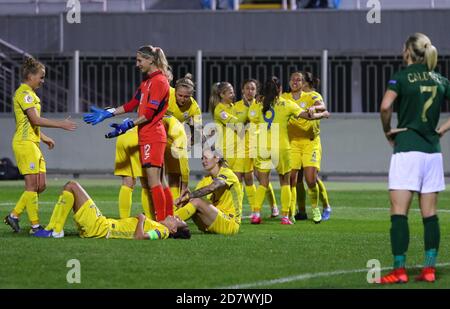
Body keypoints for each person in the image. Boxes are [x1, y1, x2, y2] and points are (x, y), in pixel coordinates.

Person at [379, 33, 450, 284]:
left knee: (399, 212)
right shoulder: (440, 78)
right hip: (432, 152)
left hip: (407, 149)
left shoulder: (401, 77)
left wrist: (387, 131)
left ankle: (399, 271)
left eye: (403, 48)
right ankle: (429, 269)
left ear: (409, 51)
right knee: (429, 213)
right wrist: (442, 129)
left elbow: (386, 106)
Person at [83, 45, 173, 222]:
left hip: (153, 135)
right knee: (160, 182)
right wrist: (108, 113)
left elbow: (147, 115)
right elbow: (132, 104)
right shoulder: (147, 82)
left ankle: (163, 222)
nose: (137, 64)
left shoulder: (159, 81)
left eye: (140, 60)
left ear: (150, 60)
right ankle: (169, 219)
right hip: (148, 135)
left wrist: (128, 125)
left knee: (153, 182)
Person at [3, 57, 77, 234]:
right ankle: (35, 227)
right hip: (24, 144)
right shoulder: (24, 94)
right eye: (41, 77)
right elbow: (35, 119)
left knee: (40, 185)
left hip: (33, 143)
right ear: (30, 76)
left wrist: (43, 137)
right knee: (31, 186)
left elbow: (31, 123)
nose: (43, 81)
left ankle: (14, 215)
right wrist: (60, 124)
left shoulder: (32, 95)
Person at [250, 77, 329, 225]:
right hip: (281, 146)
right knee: (285, 182)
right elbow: (308, 116)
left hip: (262, 146)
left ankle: (256, 214)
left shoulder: (258, 104)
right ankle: (285, 216)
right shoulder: (286, 104)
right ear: (279, 89)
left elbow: (251, 118)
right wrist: (322, 115)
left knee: (263, 182)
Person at [33, 181, 190, 240]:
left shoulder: (163, 232)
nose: (174, 215)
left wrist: (141, 219)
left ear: (174, 229)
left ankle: (55, 231)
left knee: (72, 186)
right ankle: (53, 229)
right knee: (70, 187)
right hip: (102, 226)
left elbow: (140, 237)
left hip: (101, 227)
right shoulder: (160, 227)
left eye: (178, 220)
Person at [282, 72, 331, 223]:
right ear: (289, 82)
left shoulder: (312, 96)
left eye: (299, 80)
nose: (295, 82)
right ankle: (297, 211)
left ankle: (319, 207)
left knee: (311, 179)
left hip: (310, 142)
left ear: (303, 83)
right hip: (293, 143)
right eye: (293, 79)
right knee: (293, 179)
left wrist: (316, 109)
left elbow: (322, 106)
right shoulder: (284, 98)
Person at [174, 148, 242, 235]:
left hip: (230, 223)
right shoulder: (207, 178)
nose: (203, 161)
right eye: (202, 158)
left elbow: (212, 188)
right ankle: (169, 220)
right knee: (189, 201)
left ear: (217, 158)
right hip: (213, 221)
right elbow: (193, 196)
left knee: (196, 201)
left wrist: (188, 196)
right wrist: (183, 198)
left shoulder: (227, 173)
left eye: (206, 158)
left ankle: (167, 224)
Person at [113, 128, 154, 220]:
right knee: (147, 184)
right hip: (138, 137)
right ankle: (151, 219)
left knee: (127, 182)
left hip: (123, 136)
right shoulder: (170, 119)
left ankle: (123, 220)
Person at [209, 82, 238, 170]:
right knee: (225, 176)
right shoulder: (219, 109)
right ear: (222, 94)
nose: (233, 95)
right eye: (230, 93)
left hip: (235, 147)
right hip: (224, 149)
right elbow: (235, 123)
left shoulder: (232, 106)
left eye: (233, 92)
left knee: (236, 177)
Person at [162, 114, 190, 204]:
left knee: (171, 175)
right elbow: (184, 167)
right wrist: (185, 186)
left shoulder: (175, 131)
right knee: (154, 179)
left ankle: (172, 207)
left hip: (135, 133)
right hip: (149, 136)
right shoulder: (180, 136)